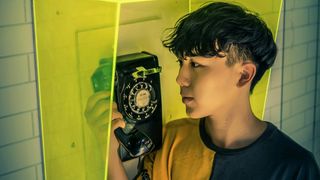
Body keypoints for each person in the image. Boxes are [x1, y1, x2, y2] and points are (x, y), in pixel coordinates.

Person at [85, 2, 320, 180]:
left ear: (243, 75)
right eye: (181, 63)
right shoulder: (170, 139)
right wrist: (107, 148)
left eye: (196, 64)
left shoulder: (294, 167)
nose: (180, 78)